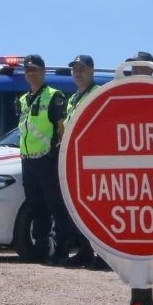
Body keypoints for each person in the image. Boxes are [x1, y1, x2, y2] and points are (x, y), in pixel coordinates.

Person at [16, 54, 72, 265]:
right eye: (27, 69)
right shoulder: (23, 100)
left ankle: (61, 250)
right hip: (28, 161)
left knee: (55, 207)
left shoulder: (52, 96)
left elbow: (61, 129)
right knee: (35, 207)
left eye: (34, 69)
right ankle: (40, 249)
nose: (30, 73)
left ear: (43, 71)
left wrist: (59, 153)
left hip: (47, 160)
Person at [59, 55, 103, 269]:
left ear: (92, 71)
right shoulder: (74, 98)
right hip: (74, 161)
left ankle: (103, 255)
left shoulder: (97, 94)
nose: (77, 73)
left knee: (97, 209)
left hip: (93, 160)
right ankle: (85, 251)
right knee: (79, 210)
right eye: (74, 69)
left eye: (81, 69)